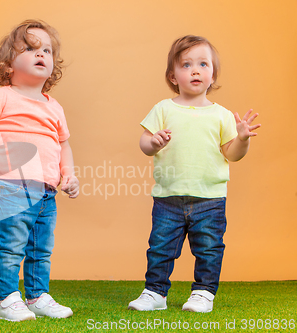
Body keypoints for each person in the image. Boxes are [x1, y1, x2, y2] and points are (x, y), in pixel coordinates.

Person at [128, 35, 261, 313]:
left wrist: (243, 139)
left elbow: (231, 154)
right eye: (186, 65)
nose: (196, 70)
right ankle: (155, 292)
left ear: (213, 75)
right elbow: (144, 143)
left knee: (209, 249)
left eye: (203, 64)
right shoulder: (163, 109)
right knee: (160, 249)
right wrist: (153, 142)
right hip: (168, 198)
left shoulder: (222, 115)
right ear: (173, 76)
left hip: (210, 199)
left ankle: (203, 293)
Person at [0, 20, 79, 322]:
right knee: (9, 247)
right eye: (30, 48)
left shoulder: (53, 107)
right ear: (8, 65)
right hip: (9, 187)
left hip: (46, 191)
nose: (41, 53)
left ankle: (36, 296)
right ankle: (6, 300)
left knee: (40, 248)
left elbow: (63, 145)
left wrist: (67, 174)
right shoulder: (1, 97)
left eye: (46, 49)